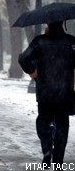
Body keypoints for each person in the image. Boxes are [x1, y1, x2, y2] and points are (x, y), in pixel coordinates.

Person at [18, 21, 75, 169]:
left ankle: (47, 149)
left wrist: (32, 71)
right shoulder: (71, 42)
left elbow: (23, 58)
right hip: (64, 91)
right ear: (63, 23)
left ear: (48, 23)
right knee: (62, 125)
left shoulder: (39, 41)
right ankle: (58, 160)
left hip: (45, 92)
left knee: (43, 122)